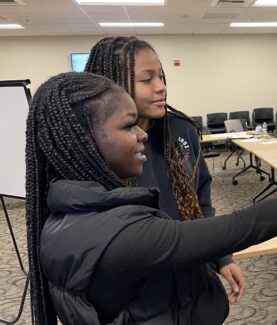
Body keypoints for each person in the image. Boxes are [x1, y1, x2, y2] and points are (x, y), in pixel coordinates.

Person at [26, 72, 277, 325]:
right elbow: (242, 226)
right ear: (85, 141)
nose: (140, 136)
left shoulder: (73, 209)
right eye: (127, 126)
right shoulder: (115, 235)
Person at [84, 36, 247, 305]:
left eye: (161, 76)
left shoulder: (181, 130)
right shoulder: (98, 147)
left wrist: (221, 258)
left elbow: (201, 202)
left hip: (190, 277)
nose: (161, 87)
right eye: (146, 80)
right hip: (136, 292)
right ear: (112, 84)